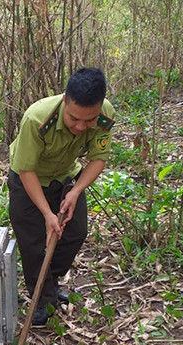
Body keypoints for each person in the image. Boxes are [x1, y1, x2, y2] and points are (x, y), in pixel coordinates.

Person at [8, 67, 115, 325]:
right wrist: (47, 213)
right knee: (34, 244)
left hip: (67, 176)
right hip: (29, 180)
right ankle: (41, 298)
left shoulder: (105, 114)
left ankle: (49, 283)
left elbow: (98, 158)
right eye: (74, 118)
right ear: (65, 99)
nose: (81, 126)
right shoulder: (37, 119)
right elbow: (26, 169)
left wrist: (77, 191)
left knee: (75, 232)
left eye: (89, 121)